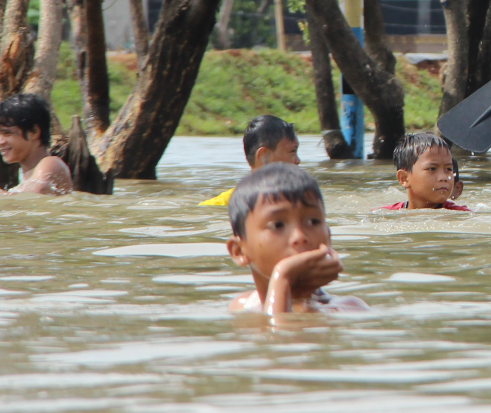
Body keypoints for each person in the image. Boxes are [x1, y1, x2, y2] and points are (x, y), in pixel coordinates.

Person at [224, 163, 368, 314]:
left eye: (313, 221)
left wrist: (282, 278)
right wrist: (283, 279)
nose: (299, 237)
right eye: (278, 225)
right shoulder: (242, 306)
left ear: (328, 236)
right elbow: (275, 334)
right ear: (239, 251)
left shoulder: (347, 308)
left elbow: (280, 334)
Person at [200, 116, 301, 207]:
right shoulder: (222, 205)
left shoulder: (304, 199)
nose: (298, 161)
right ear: (263, 156)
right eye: (292, 151)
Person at [0, 93, 72, 195]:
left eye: (7, 133)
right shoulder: (26, 177)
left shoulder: (51, 163)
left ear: (34, 132)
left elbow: (36, 193)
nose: (0, 142)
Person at [376, 132, 468, 211]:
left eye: (448, 169)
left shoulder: (462, 215)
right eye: (432, 169)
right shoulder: (385, 214)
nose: (443, 177)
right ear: (404, 178)